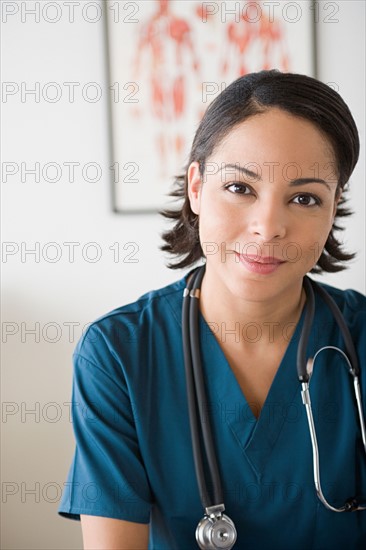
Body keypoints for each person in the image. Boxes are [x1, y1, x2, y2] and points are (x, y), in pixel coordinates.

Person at [58, 70, 366, 549]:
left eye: (304, 198)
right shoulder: (118, 353)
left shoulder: (360, 337)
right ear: (197, 187)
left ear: (333, 208)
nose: (268, 227)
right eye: (240, 188)